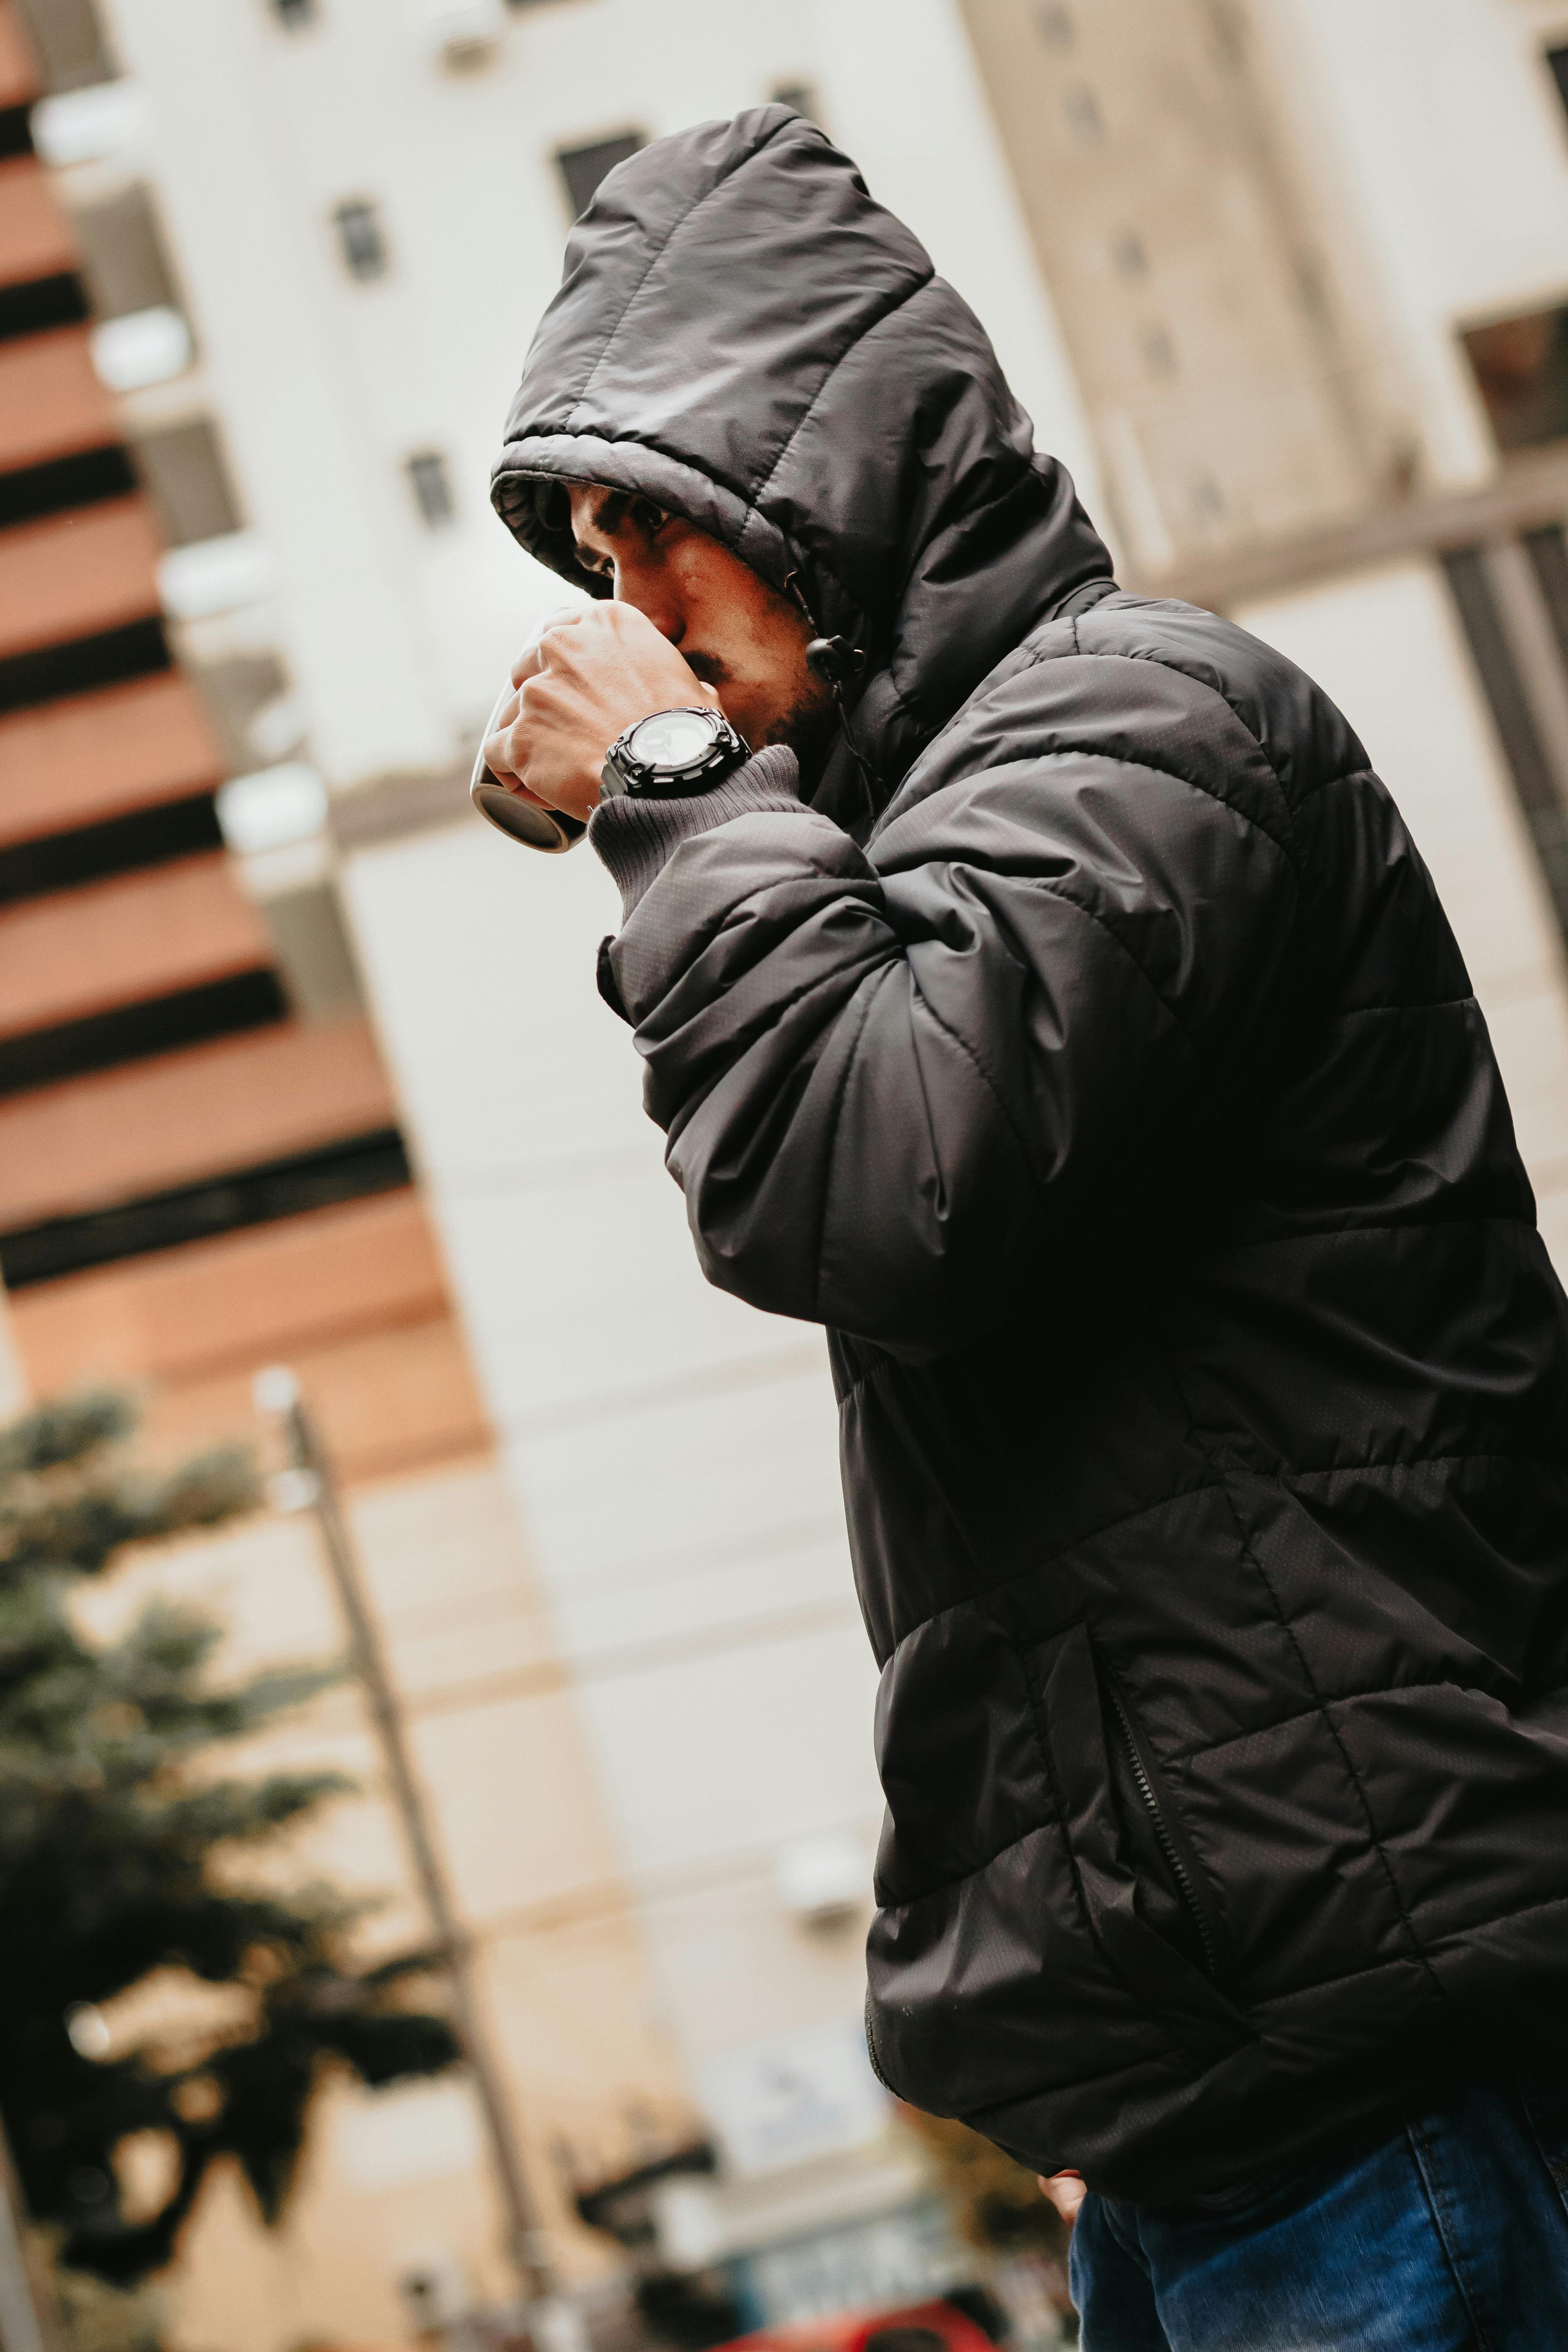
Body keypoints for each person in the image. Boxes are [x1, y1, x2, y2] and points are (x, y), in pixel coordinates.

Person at [478, 107, 1568, 2349]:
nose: (632, 611)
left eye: (660, 526)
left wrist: (679, 799)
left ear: (827, 480)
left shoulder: (1147, 721)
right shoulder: (919, 848)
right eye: (597, 557)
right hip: (1215, 2098)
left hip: (1381, 2073)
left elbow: (881, 1178)